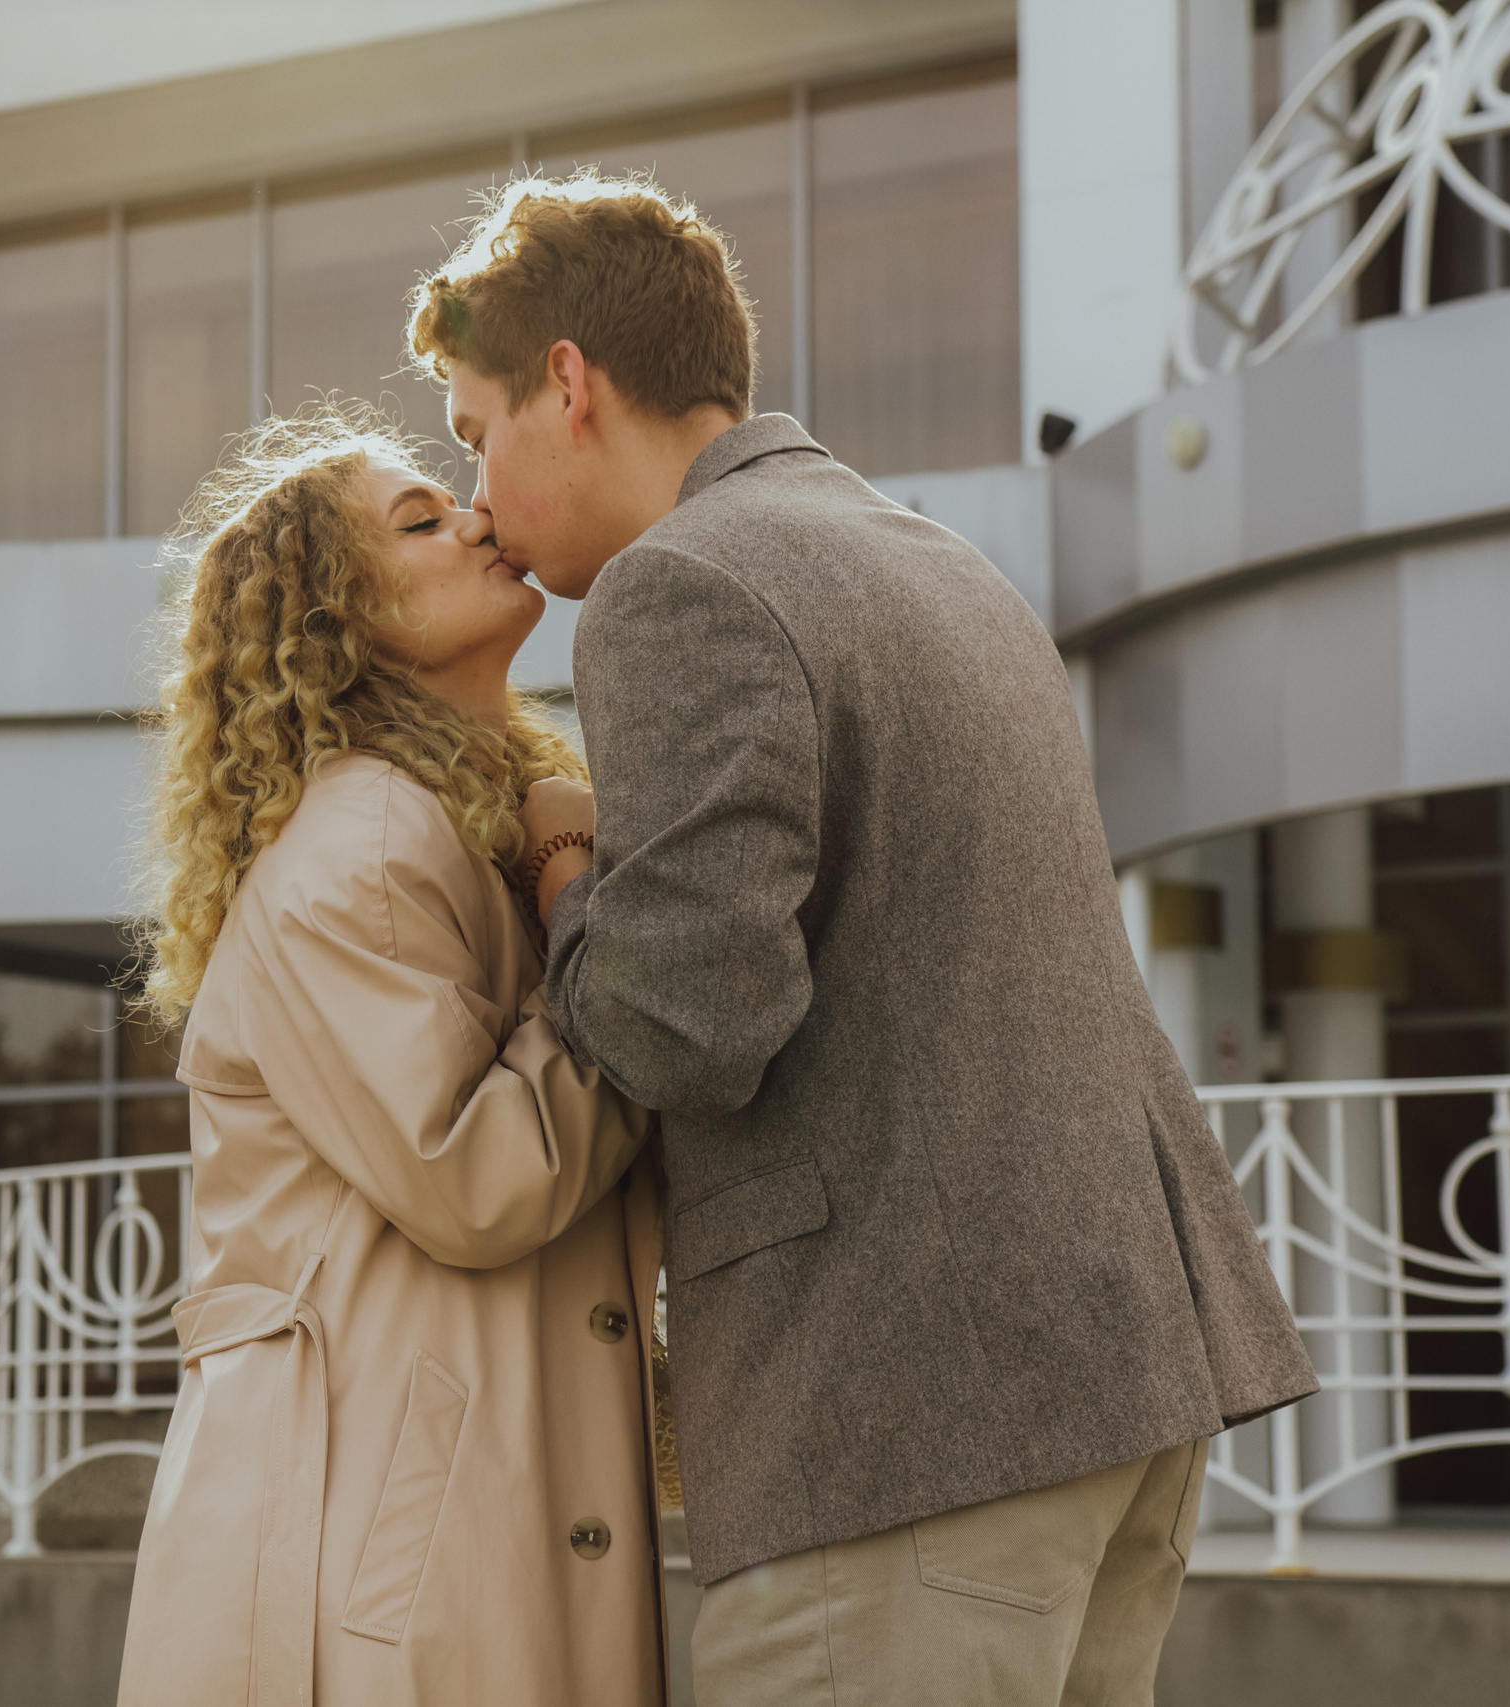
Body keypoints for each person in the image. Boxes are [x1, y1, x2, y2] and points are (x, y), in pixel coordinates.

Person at [408, 175, 1318, 1706]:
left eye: (471, 430)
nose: (480, 494)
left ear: (568, 381)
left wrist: (564, 865)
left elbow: (684, 1023)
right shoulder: (939, 561)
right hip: (1124, 1383)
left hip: (902, 1425)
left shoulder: (678, 585)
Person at [114, 410, 666, 1707]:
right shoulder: (364, 843)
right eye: (420, 520)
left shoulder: (451, 824)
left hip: (433, 1539)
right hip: (380, 1578)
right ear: (333, 622)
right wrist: (585, 914)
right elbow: (479, 1177)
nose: (476, 514)